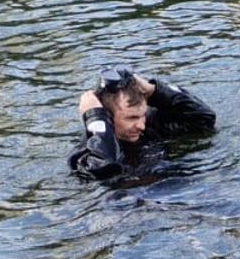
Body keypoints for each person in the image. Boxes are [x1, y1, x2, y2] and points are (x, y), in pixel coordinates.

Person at [67, 66, 217, 182]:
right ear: (107, 117)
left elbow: (204, 119)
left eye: (142, 116)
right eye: (131, 118)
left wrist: (156, 91)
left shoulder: (150, 128)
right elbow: (103, 172)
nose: (141, 125)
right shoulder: (88, 152)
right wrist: (95, 116)